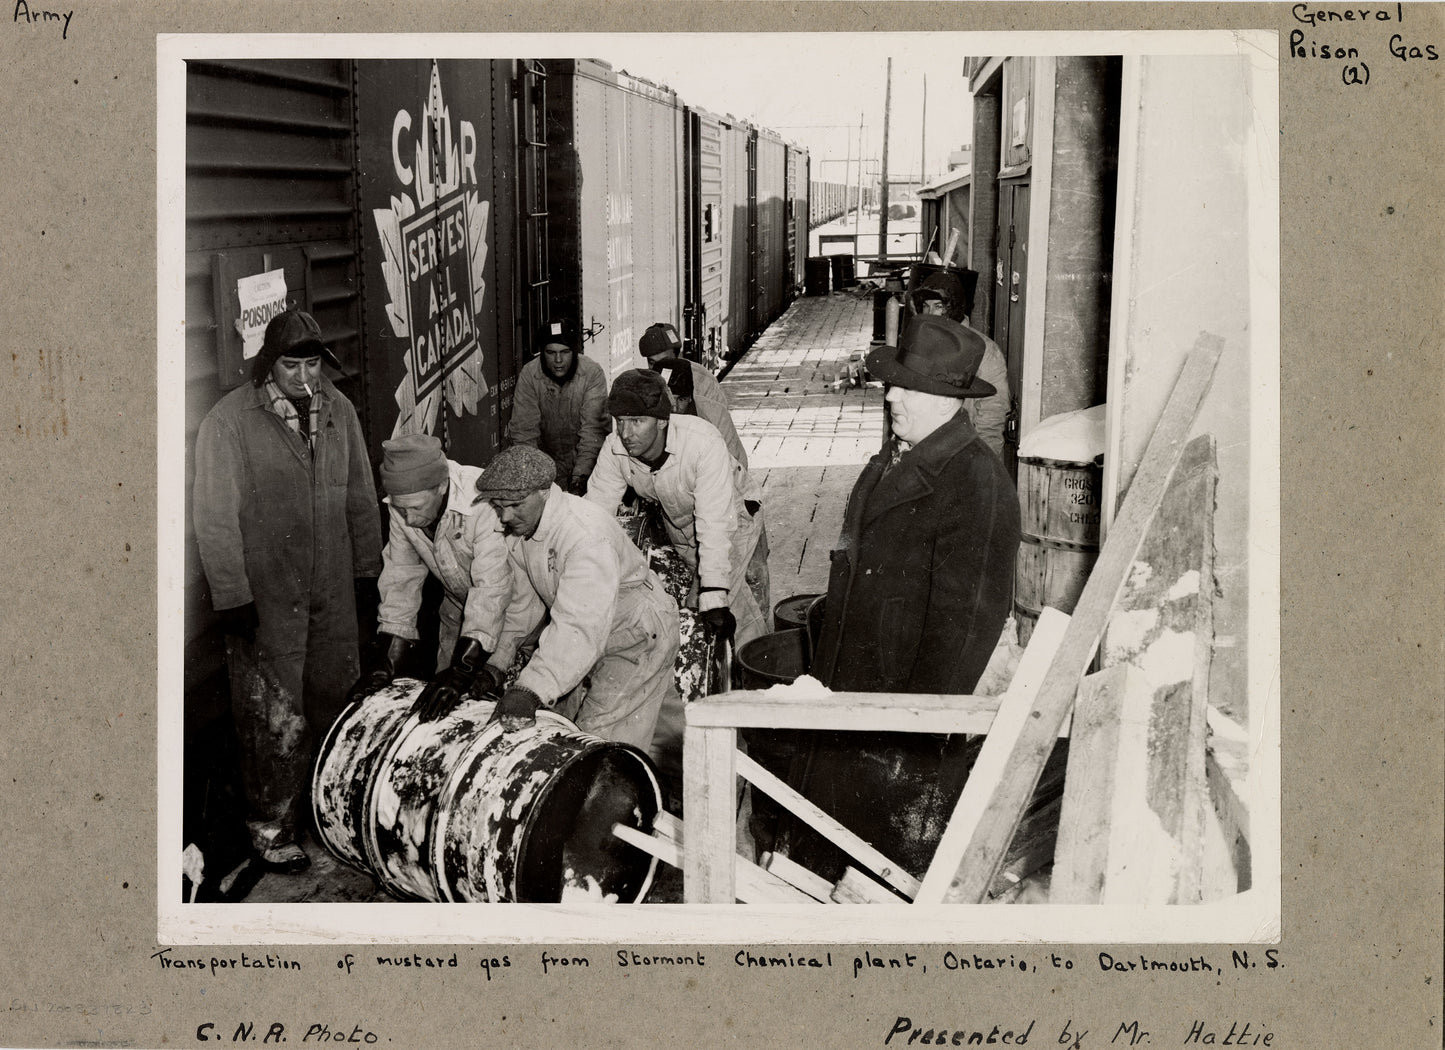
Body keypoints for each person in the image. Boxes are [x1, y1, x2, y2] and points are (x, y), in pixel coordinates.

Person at [775, 314, 1022, 880]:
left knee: (883, 865)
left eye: (907, 387)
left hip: (902, 710)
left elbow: (966, 631)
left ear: (946, 401)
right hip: (854, 683)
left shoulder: (976, 483)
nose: (891, 395)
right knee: (831, 844)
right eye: (893, 383)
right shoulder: (899, 454)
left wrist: (918, 734)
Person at [192, 308, 383, 874]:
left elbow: (360, 495)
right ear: (267, 365)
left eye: (311, 365)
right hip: (268, 595)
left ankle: (327, 812)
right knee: (272, 716)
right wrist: (231, 596)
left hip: (332, 589)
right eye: (290, 364)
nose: (303, 377)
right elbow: (214, 516)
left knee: (335, 698)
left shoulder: (339, 411)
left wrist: (367, 574)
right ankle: (272, 827)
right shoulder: (227, 422)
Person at [473, 446, 680, 753]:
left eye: (515, 504)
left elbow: (578, 626)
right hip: (600, 632)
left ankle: (701, 785)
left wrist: (530, 689)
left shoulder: (585, 536)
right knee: (665, 731)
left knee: (597, 745)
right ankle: (691, 779)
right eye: (498, 505)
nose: (505, 516)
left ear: (544, 493)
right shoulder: (524, 529)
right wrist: (497, 663)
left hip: (635, 634)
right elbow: (523, 605)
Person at [350, 432, 512, 721]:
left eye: (415, 508)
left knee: (501, 710)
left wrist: (464, 668)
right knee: (442, 713)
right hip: (458, 613)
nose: (408, 519)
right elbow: (401, 578)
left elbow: (492, 588)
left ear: (441, 486)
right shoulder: (403, 508)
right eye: (401, 509)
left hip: (511, 613)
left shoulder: (484, 501)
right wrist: (387, 662)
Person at [639, 322, 769, 615]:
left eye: (665, 359)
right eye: (652, 363)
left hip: (733, 503)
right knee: (730, 596)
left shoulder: (706, 393)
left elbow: (735, 471)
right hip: (694, 515)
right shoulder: (650, 392)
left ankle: (759, 650)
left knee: (750, 577)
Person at [910, 270, 1011, 460]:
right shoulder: (919, 344)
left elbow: (992, 417)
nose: (931, 313)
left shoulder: (985, 351)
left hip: (965, 451)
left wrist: (982, 467)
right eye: (925, 306)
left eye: (938, 306)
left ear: (954, 308)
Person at [506, 319, 610, 495]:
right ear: (542, 352)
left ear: (575, 351)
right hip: (547, 466)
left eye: (565, 352)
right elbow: (524, 433)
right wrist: (536, 481)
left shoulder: (592, 373)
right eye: (551, 352)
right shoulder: (529, 375)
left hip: (588, 465)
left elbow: (593, 432)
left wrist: (580, 479)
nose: (558, 360)